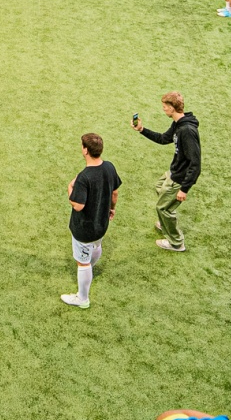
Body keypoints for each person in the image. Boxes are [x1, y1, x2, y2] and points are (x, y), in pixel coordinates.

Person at [134, 92, 200, 252]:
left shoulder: (187, 130)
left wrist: (184, 189)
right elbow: (164, 139)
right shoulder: (178, 124)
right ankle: (166, 221)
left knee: (162, 208)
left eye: (165, 107)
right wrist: (142, 129)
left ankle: (176, 243)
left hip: (180, 178)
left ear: (172, 108)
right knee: (159, 186)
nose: (163, 109)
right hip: (174, 171)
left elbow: (196, 163)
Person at [61, 132, 120, 309]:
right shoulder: (109, 167)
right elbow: (115, 192)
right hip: (102, 222)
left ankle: (82, 298)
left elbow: (77, 205)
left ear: (85, 150)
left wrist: (70, 188)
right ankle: (89, 268)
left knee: (83, 262)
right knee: (96, 245)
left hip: (85, 228)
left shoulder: (84, 176)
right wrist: (112, 208)